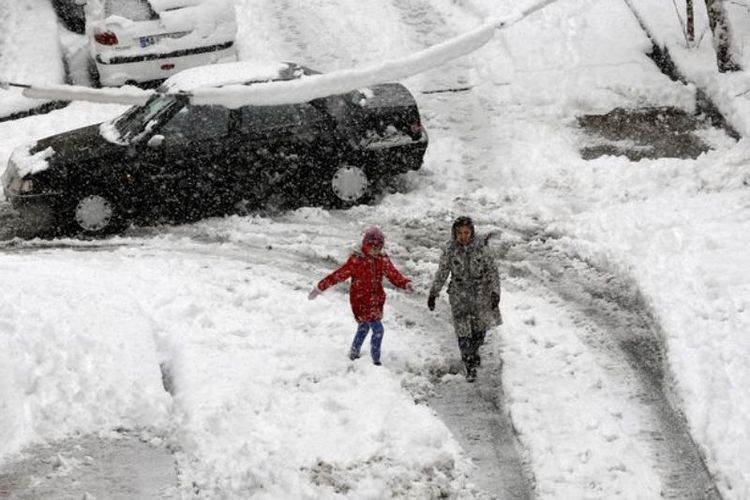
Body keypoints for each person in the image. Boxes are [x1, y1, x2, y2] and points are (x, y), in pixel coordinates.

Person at [308, 226, 413, 365]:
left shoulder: (382, 259)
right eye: (373, 246)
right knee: (378, 330)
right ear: (365, 244)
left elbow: (394, 274)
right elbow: (338, 275)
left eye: (379, 247)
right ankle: (376, 361)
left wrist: (405, 283)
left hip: (376, 300)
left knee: (364, 327)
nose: (376, 250)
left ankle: (353, 352)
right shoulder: (357, 260)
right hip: (361, 300)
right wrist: (320, 287)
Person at [428, 216, 501, 382]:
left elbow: (492, 272)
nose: (463, 236)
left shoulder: (481, 249)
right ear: (454, 233)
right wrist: (433, 293)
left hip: (480, 295)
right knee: (463, 333)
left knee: (479, 331)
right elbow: (442, 272)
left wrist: (495, 292)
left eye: (466, 232)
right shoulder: (450, 250)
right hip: (459, 295)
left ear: (472, 232)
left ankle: (474, 353)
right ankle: (469, 364)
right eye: (459, 233)